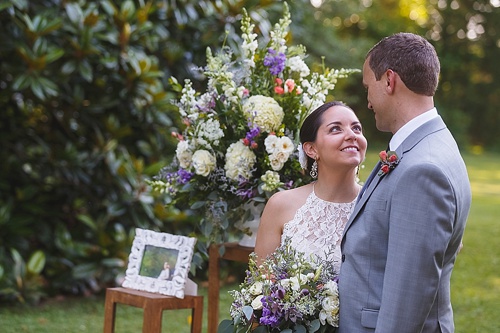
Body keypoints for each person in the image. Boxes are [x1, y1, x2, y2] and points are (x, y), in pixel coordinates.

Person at [338, 32, 472, 333]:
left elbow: (407, 302)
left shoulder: (422, 170)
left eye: (367, 86)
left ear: (389, 80)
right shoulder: (434, 144)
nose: (368, 101)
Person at [254, 101, 367, 272]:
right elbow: (261, 285)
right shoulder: (280, 205)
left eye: (356, 128)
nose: (352, 135)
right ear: (311, 149)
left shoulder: (377, 203)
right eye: (335, 128)